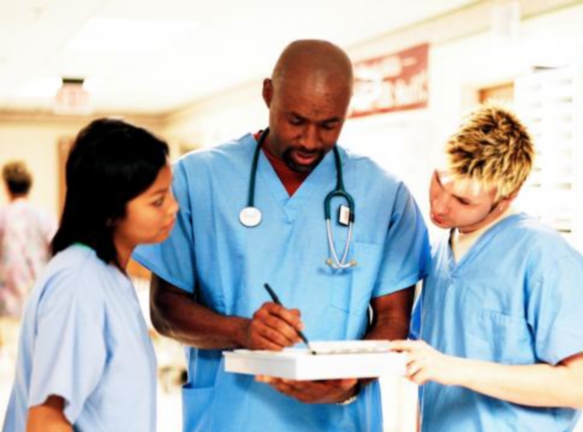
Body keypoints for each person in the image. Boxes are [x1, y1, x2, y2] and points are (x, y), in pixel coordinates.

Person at [133, 39, 429, 432]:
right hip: (231, 416)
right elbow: (165, 309)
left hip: (340, 419)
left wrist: (350, 383)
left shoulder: (383, 194)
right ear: (267, 94)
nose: (310, 141)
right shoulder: (196, 180)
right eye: (296, 121)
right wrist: (241, 331)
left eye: (329, 125)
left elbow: (393, 317)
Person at [391, 103, 583, 432]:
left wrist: (452, 369)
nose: (440, 205)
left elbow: (575, 385)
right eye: (440, 181)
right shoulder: (439, 254)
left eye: (464, 201)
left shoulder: (544, 257)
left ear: (507, 196)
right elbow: (431, 378)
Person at [3, 118, 178, 432]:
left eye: (170, 194)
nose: (173, 208)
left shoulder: (107, 275)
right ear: (110, 211)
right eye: (157, 201)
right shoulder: (78, 284)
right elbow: (46, 422)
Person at [0, 161, 56, 318]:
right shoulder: (44, 216)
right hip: (39, 296)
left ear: (7, 187)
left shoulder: (2, 216)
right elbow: (57, 248)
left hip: (7, 300)